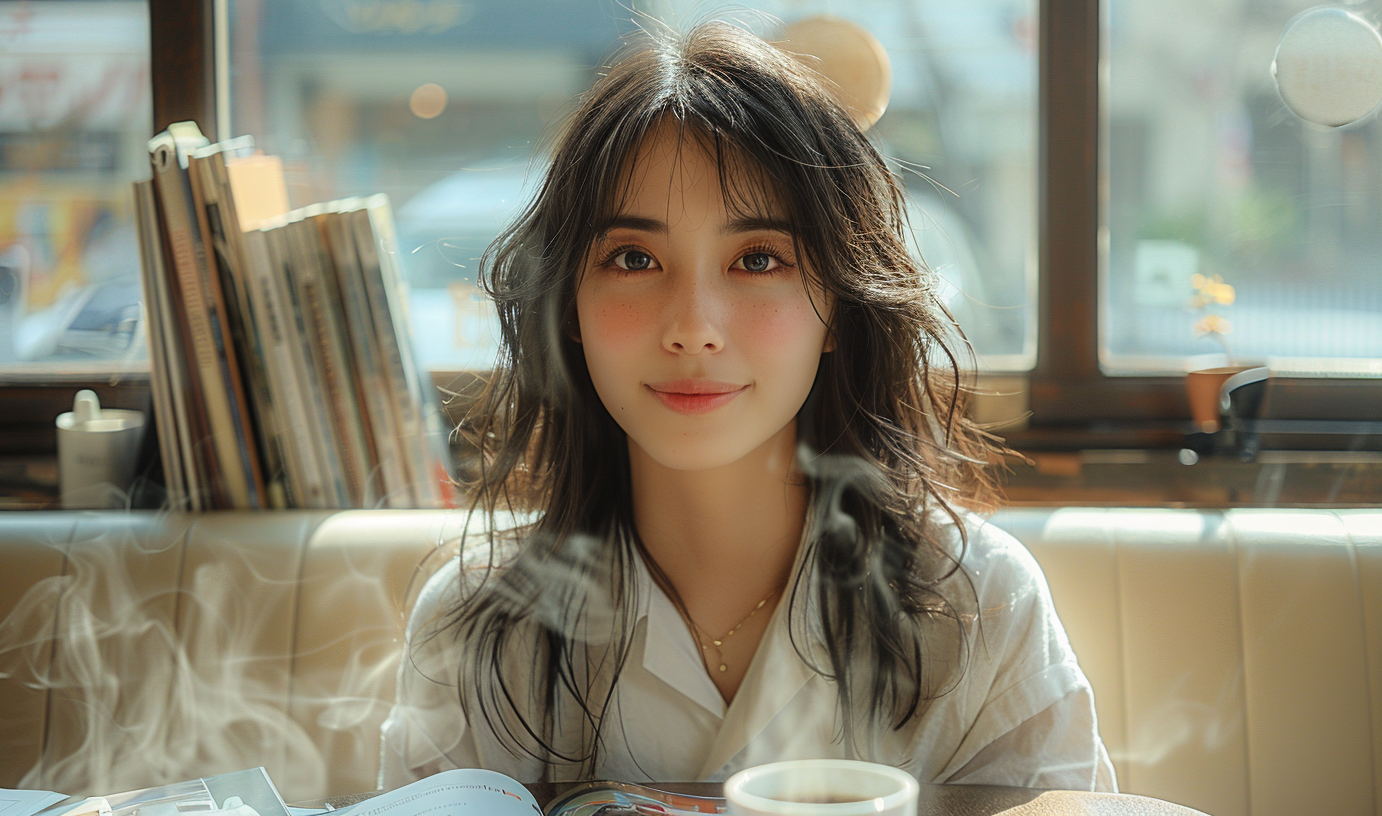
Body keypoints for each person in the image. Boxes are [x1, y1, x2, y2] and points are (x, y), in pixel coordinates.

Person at [379, 20, 1115, 791]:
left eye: (757, 259)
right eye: (634, 259)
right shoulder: (475, 629)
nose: (694, 327)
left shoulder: (980, 609)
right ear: (569, 305)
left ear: (837, 303)